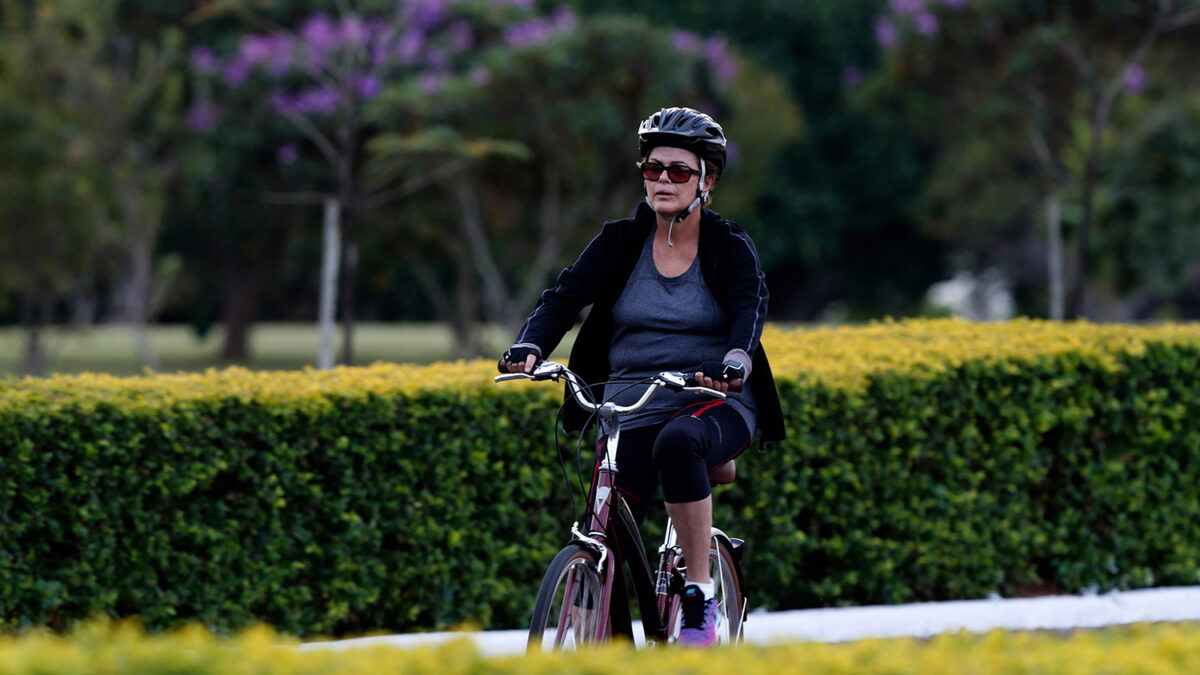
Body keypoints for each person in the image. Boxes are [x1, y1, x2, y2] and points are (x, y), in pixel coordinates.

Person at [499, 106, 785, 648]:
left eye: (679, 171)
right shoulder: (618, 242)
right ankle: (597, 634)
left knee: (678, 443)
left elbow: (750, 310)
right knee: (604, 517)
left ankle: (699, 597)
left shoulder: (729, 247)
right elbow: (564, 298)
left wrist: (734, 365)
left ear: (708, 180)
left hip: (710, 396)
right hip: (627, 403)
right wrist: (531, 344)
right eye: (653, 168)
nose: (662, 181)